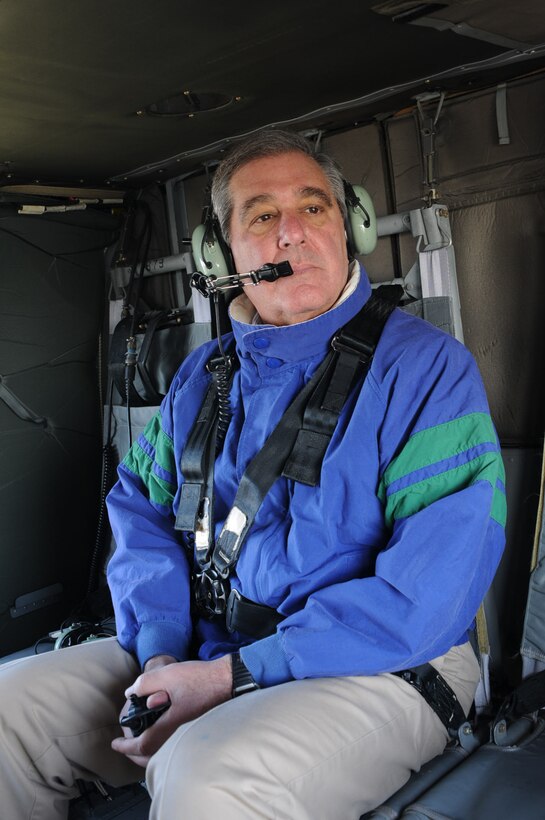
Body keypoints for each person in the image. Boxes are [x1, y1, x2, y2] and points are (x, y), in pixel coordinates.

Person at [0, 129, 505, 820]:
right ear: (221, 251)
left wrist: (231, 678)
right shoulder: (198, 378)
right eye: (262, 216)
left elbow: (427, 599)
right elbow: (140, 512)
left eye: (313, 208)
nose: (291, 234)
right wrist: (158, 657)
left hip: (386, 664)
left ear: (350, 225)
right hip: (202, 644)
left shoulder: (426, 371)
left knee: (209, 777)